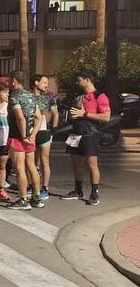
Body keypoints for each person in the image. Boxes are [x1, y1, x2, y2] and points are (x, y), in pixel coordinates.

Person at [62, 70, 111, 206]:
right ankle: (78, 191)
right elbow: (74, 114)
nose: (77, 82)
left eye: (79, 80)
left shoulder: (100, 96)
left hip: (90, 133)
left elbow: (106, 117)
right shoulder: (78, 97)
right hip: (76, 133)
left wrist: (85, 114)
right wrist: (73, 116)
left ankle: (94, 193)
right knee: (76, 162)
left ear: (87, 79)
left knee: (91, 164)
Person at [6, 70, 44, 210]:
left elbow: (20, 118)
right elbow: (39, 117)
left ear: (14, 80)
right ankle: (37, 197)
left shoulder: (14, 96)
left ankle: (23, 200)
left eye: (10, 80)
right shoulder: (30, 96)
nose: (9, 83)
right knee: (32, 166)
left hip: (18, 136)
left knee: (19, 168)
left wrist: (23, 137)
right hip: (30, 137)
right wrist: (33, 134)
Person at [32, 74, 59, 200]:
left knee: (44, 160)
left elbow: (55, 113)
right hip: (31, 133)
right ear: (36, 82)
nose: (47, 85)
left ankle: (45, 188)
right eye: (44, 82)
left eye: (47, 83)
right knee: (31, 162)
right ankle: (31, 185)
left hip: (45, 132)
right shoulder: (29, 97)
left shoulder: (49, 97)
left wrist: (53, 128)